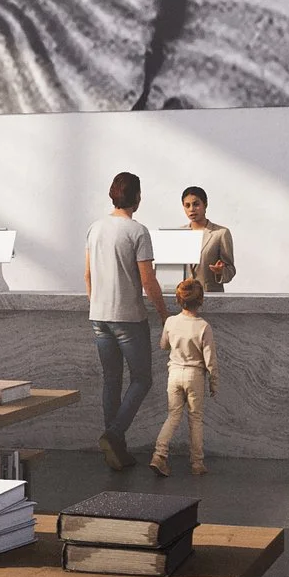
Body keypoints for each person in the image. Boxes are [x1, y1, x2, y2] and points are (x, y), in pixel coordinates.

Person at [84, 172, 168, 471]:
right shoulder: (138, 231)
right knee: (142, 378)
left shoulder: (95, 228)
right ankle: (114, 434)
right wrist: (163, 313)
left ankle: (115, 451)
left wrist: (98, 304)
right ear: (137, 197)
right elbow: (148, 280)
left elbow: (88, 275)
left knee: (111, 380)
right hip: (128, 316)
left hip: (99, 316)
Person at [151, 277, 218, 478]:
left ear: (179, 300)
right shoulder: (203, 326)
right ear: (201, 301)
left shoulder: (171, 322)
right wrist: (214, 382)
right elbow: (210, 359)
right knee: (195, 418)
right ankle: (197, 463)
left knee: (173, 416)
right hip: (194, 375)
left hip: (174, 374)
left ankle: (159, 455)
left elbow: (163, 345)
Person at [179, 185, 236, 291]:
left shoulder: (220, 233)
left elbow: (231, 270)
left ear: (205, 205)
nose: (191, 209)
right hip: (184, 297)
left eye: (196, 204)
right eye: (187, 205)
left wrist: (220, 272)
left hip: (210, 297)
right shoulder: (179, 234)